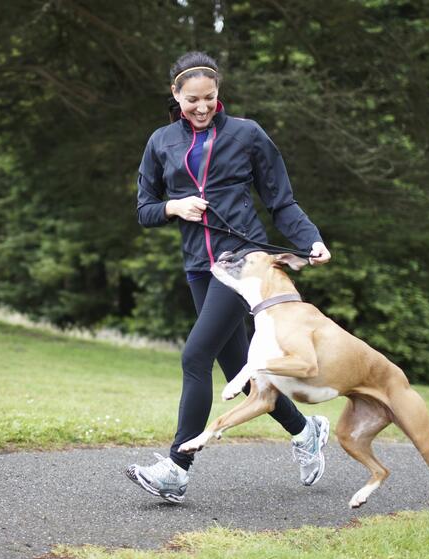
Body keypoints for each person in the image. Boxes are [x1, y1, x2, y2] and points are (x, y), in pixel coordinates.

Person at [126, 51, 332, 503]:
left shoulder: (247, 134)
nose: (202, 107)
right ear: (176, 94)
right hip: (199, 267)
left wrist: (311, 239)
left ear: (219, 93)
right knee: (237, 366)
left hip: (245, 263)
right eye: (192, 100)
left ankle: (177, 468)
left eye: (210, 98)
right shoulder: (161, 141)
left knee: (195, 357)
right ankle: (306, 430)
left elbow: (281, 202)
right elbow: (144, 209)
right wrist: (174, 206)